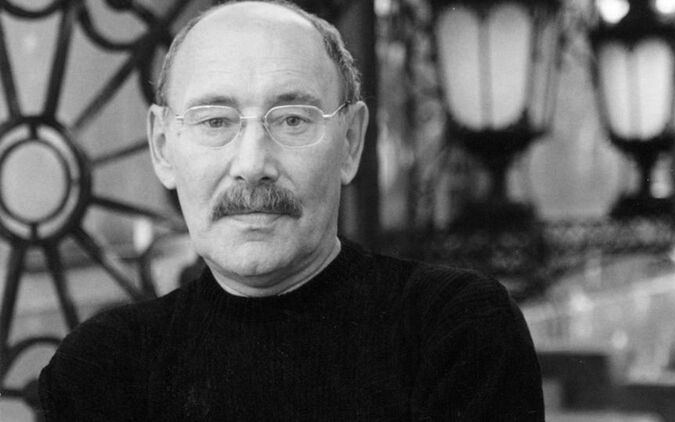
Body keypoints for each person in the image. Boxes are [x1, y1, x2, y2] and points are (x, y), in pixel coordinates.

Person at [38, 1, 544, 420]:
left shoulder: (454, 330)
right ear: (162, 147)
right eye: (215, 121)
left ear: (351, 142)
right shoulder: (103, 367)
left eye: (293, 120)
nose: (252, 165)